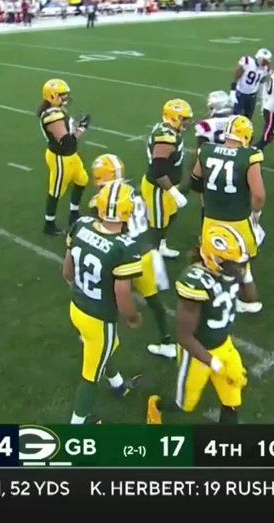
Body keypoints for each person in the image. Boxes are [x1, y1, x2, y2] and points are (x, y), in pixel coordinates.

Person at [145, 223, 250, 425]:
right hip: (197, 354)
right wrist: (214, 363)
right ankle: (156, 407)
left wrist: (247, 276)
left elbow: (252, 300)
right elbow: (185, 338)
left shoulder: (232, 271)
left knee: (232, 400)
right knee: (185, 405)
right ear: (214, 259)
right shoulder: (194, 282)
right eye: (231, 261)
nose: (237, 266)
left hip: (225, 346)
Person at [65, 180, 144, 424]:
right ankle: (77, 425)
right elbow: (122, 292)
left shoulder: (81, 224)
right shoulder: (125, 247)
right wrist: (132, 316)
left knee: (97, 350)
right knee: (90, 375)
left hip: (76, 307)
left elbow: (67, 271)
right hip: (100, 318)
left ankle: (118, 384)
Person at [91, 155, 173, 359]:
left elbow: (103, 231)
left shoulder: (103, 200)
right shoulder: (133, 191)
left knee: (104, 290)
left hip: (122, 253)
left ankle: (96, 331)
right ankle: (167, 341)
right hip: (145, 251)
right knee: (154, 300)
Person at [189, 115, 267, 315]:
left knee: (211, 260)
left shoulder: (206, 150)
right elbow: (258, 195)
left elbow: (195, 180)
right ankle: (249, 301)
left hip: (212, 218)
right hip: (238, 220)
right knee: (242, 263)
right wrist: (256, 214)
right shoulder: (250, 156)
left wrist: (210, 196)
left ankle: (211, 295)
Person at [141, 99, 194, 259]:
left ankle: (161, 246)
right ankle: (153, 257)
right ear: (173, 117)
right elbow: (158, 171)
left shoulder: (169, 130)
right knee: (157, 224)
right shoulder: (166, 138)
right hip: (159, 188)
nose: (187, 122)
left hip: (168, 186)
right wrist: (174, 192)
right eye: (184, 118)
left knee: (170, 216)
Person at [39, 79, 90, 236]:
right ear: (52, 95)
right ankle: (49, 224)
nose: (66, 98)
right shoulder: (52, 115)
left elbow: (67, 131)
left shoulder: (57, 110)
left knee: (82, 179)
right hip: (60, 157)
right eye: (62, 95)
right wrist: (82, 128)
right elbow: (66, 141)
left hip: (70, 155)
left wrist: (75, 125)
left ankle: (73, 214)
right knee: (56, 191)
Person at [230, 48, 271, 118]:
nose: (267, 62)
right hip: (240, 93)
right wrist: (232, 91)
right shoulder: (248, 62)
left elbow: (261, 82)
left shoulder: (266, 68)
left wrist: (262, 98)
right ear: (260, 59)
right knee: (235, 117)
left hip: (252, 96)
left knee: (248, 117)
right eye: (265, 61)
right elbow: (237, 75)